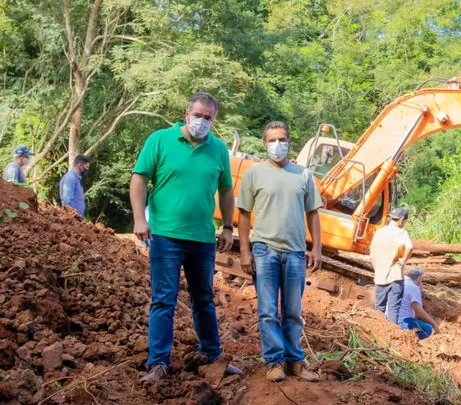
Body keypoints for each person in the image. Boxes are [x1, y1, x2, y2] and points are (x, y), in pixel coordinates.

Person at [130, 92, 240, 384]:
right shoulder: (160, 140)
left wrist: (228, 226)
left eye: (208, 118)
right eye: (198, 115)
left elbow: (227, 190)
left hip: (202, 238)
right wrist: (140, 218)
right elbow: (139, 178)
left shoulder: (218, 150)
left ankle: (212, 356)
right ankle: (158, 363)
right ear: (186, 113)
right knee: (163, 299)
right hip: (165, 235)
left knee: (203, 298)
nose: (202, 122)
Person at [238, 121, 323, 383]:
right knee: (267, 310)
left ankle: (294, 362)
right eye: (272, 140)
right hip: (265, 250)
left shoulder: (304, 175)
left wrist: (317, 248)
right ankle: (274, 361)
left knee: (293, 311)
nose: (278, 144)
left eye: (282, 139)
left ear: (289, 142)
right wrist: (244, 251)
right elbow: (243, 214)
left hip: (296, 252)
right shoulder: (254, 175)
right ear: (265, 144)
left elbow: (313, 214)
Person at [369, 207, 413, 323]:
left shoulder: (379, 232)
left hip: (380, 277)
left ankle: (377, 333)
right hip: (395, 276)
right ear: (401, 220)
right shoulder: (401, 233)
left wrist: (377, 269)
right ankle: (391, 336)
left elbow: (372, 255)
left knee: (379, 309)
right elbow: (410, 246)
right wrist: (403, 261)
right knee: (393, 309)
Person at [398, 267, 439, 340]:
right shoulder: (413, 287)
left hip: (391, 317)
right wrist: (433, 324)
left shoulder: (401, 281)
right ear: (418, 278)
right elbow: (418, 312)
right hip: (402, 321)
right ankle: (407, 340)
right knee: (427, 329)